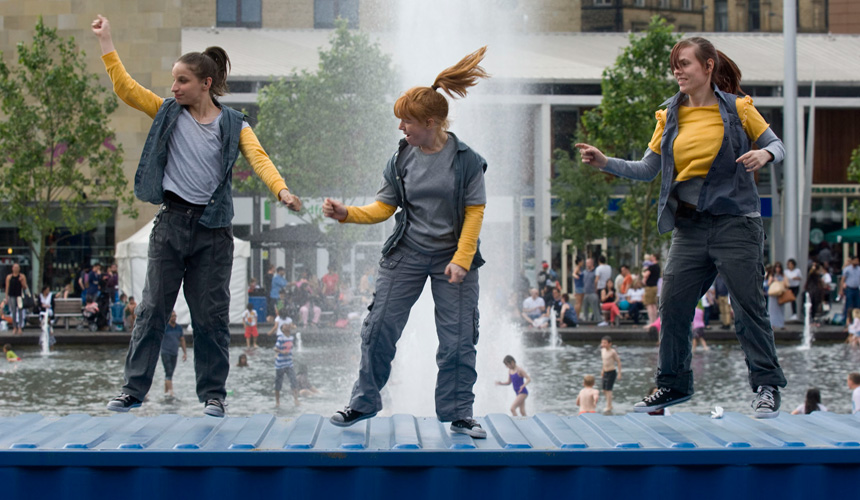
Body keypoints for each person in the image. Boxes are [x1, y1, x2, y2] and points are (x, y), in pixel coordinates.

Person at [93, 15, 302, 417]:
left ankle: (213, 395)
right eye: (173, 81)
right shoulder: (167, 112)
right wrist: (107, 40)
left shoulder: (234, 125)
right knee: (153, 310)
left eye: (182, 81)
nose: (174, 88)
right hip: (171, 224)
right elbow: (126, 89)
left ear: (205, 83)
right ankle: (133, 390)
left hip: (213, 232)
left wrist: (282, 190)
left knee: (210, 317)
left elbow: (259, 159)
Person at [576, 37, 787, 417]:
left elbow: (778, 145)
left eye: (685, 63)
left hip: (735, 224)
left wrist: (764, 153)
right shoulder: (669, 115)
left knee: (748, 307)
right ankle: (673, 385)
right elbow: (646, 169)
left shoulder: (739, 108)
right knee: (671, 305)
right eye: (675, 65)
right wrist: (605, 161)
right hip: (689, 228)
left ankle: (767, 387)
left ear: (708, 67)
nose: (678, 71)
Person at [322, 47, 490, 439]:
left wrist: (462, 261)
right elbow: (384, 207)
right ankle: (362, 403)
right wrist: (348, 214)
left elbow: (474, 215)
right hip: (407, 253)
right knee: (377, 327)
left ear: (430, 122)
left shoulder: (467, 162)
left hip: (454, 259)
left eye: (407, 122)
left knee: (458, 339)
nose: (401, 128)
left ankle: (459, 413)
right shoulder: (402, 158)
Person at [161, 311, 187, 398]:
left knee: (170, 373)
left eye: (175, 316)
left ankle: (165, 392)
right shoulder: (165, 327)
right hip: (165, 352)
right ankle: (171, 393)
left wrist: (185, 353)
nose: (174, 318)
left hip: (174, 353)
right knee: (168, 371)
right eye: (172, 316)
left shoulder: (179, 328)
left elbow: (182, 340)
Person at [274, 323, 300, 408]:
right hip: (280, 364)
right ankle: (277, 402)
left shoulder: (291, 337)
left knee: (293, 381)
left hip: (289, 363)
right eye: (284, 325)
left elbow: (296, 330)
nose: (286, 326)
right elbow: (275, 348)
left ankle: (296, 400)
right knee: (278, 383)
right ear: (282, 329)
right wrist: (282, 352)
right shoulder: (280, 338)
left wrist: (292, 326)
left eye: (287, 325)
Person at [4, 263, 28, 336]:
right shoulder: (9, 277)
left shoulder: (22, 276)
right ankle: (14, 327)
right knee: (13, 311)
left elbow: (25, 287)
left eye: (17, 267)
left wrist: (22, 281)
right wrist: (6, 297)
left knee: (20, 312)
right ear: (12, 268)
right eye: (15, 267)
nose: (16, 269)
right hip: (12, 296)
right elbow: (7, 288)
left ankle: (20, 327)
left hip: (19, 296)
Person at [599, 336, 621, 413]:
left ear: (610, 344)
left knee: (609, 390)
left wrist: (619, 373)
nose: (603, 344)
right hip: (605, 371)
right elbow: (604, 362)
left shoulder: (613, 352)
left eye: (605, 343)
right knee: (604, 389)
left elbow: (618, 361)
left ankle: (609, 405)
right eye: (602, 342)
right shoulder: (602, 350)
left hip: (611, 372)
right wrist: (602, 370)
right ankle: (609, 402)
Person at [840, 256, 860, 327]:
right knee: (848, 305)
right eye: (855, 260)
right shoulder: (847, 269)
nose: (857, 262)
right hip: (849, 288)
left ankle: (857, 321)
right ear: (852, 261)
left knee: (857, 305)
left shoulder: (859, 269)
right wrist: (841, 290)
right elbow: (843, 279)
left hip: (856, 289)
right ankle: (846, 320)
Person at [641, 253, 661, 324]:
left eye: (652, 256)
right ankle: (654, 321)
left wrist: (643, 272)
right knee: (653, 304)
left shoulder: (652, 266)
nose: (650, 257)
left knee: (649, 304)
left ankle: (651, 321)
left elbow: (645, 275)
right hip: (655, 287)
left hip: (650, 287)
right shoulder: (658, 267)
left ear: (654, 258)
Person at [766, 262, 786, 330]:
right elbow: (768, 283)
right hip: (773, 294)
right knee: (772, 310)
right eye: (776, 267)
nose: (778, 269)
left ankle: (781, 324)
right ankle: (772, 324)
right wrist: (773, 280)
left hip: (780, 294)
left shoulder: (783, 275)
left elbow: (786, 283)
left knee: (780, 309)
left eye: (779, 267)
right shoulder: (772, 275)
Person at [581, 258, 600, 322]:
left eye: (588, 263)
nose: (587, 264)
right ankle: (586, 320)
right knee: (585, 308)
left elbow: (597, 281)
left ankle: (597, 320)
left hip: (593, 292)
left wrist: (596, 289)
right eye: (586, 263)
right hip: (585, 293)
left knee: (595, 308)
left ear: (592, 263)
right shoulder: (584, 272)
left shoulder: (595, 272)